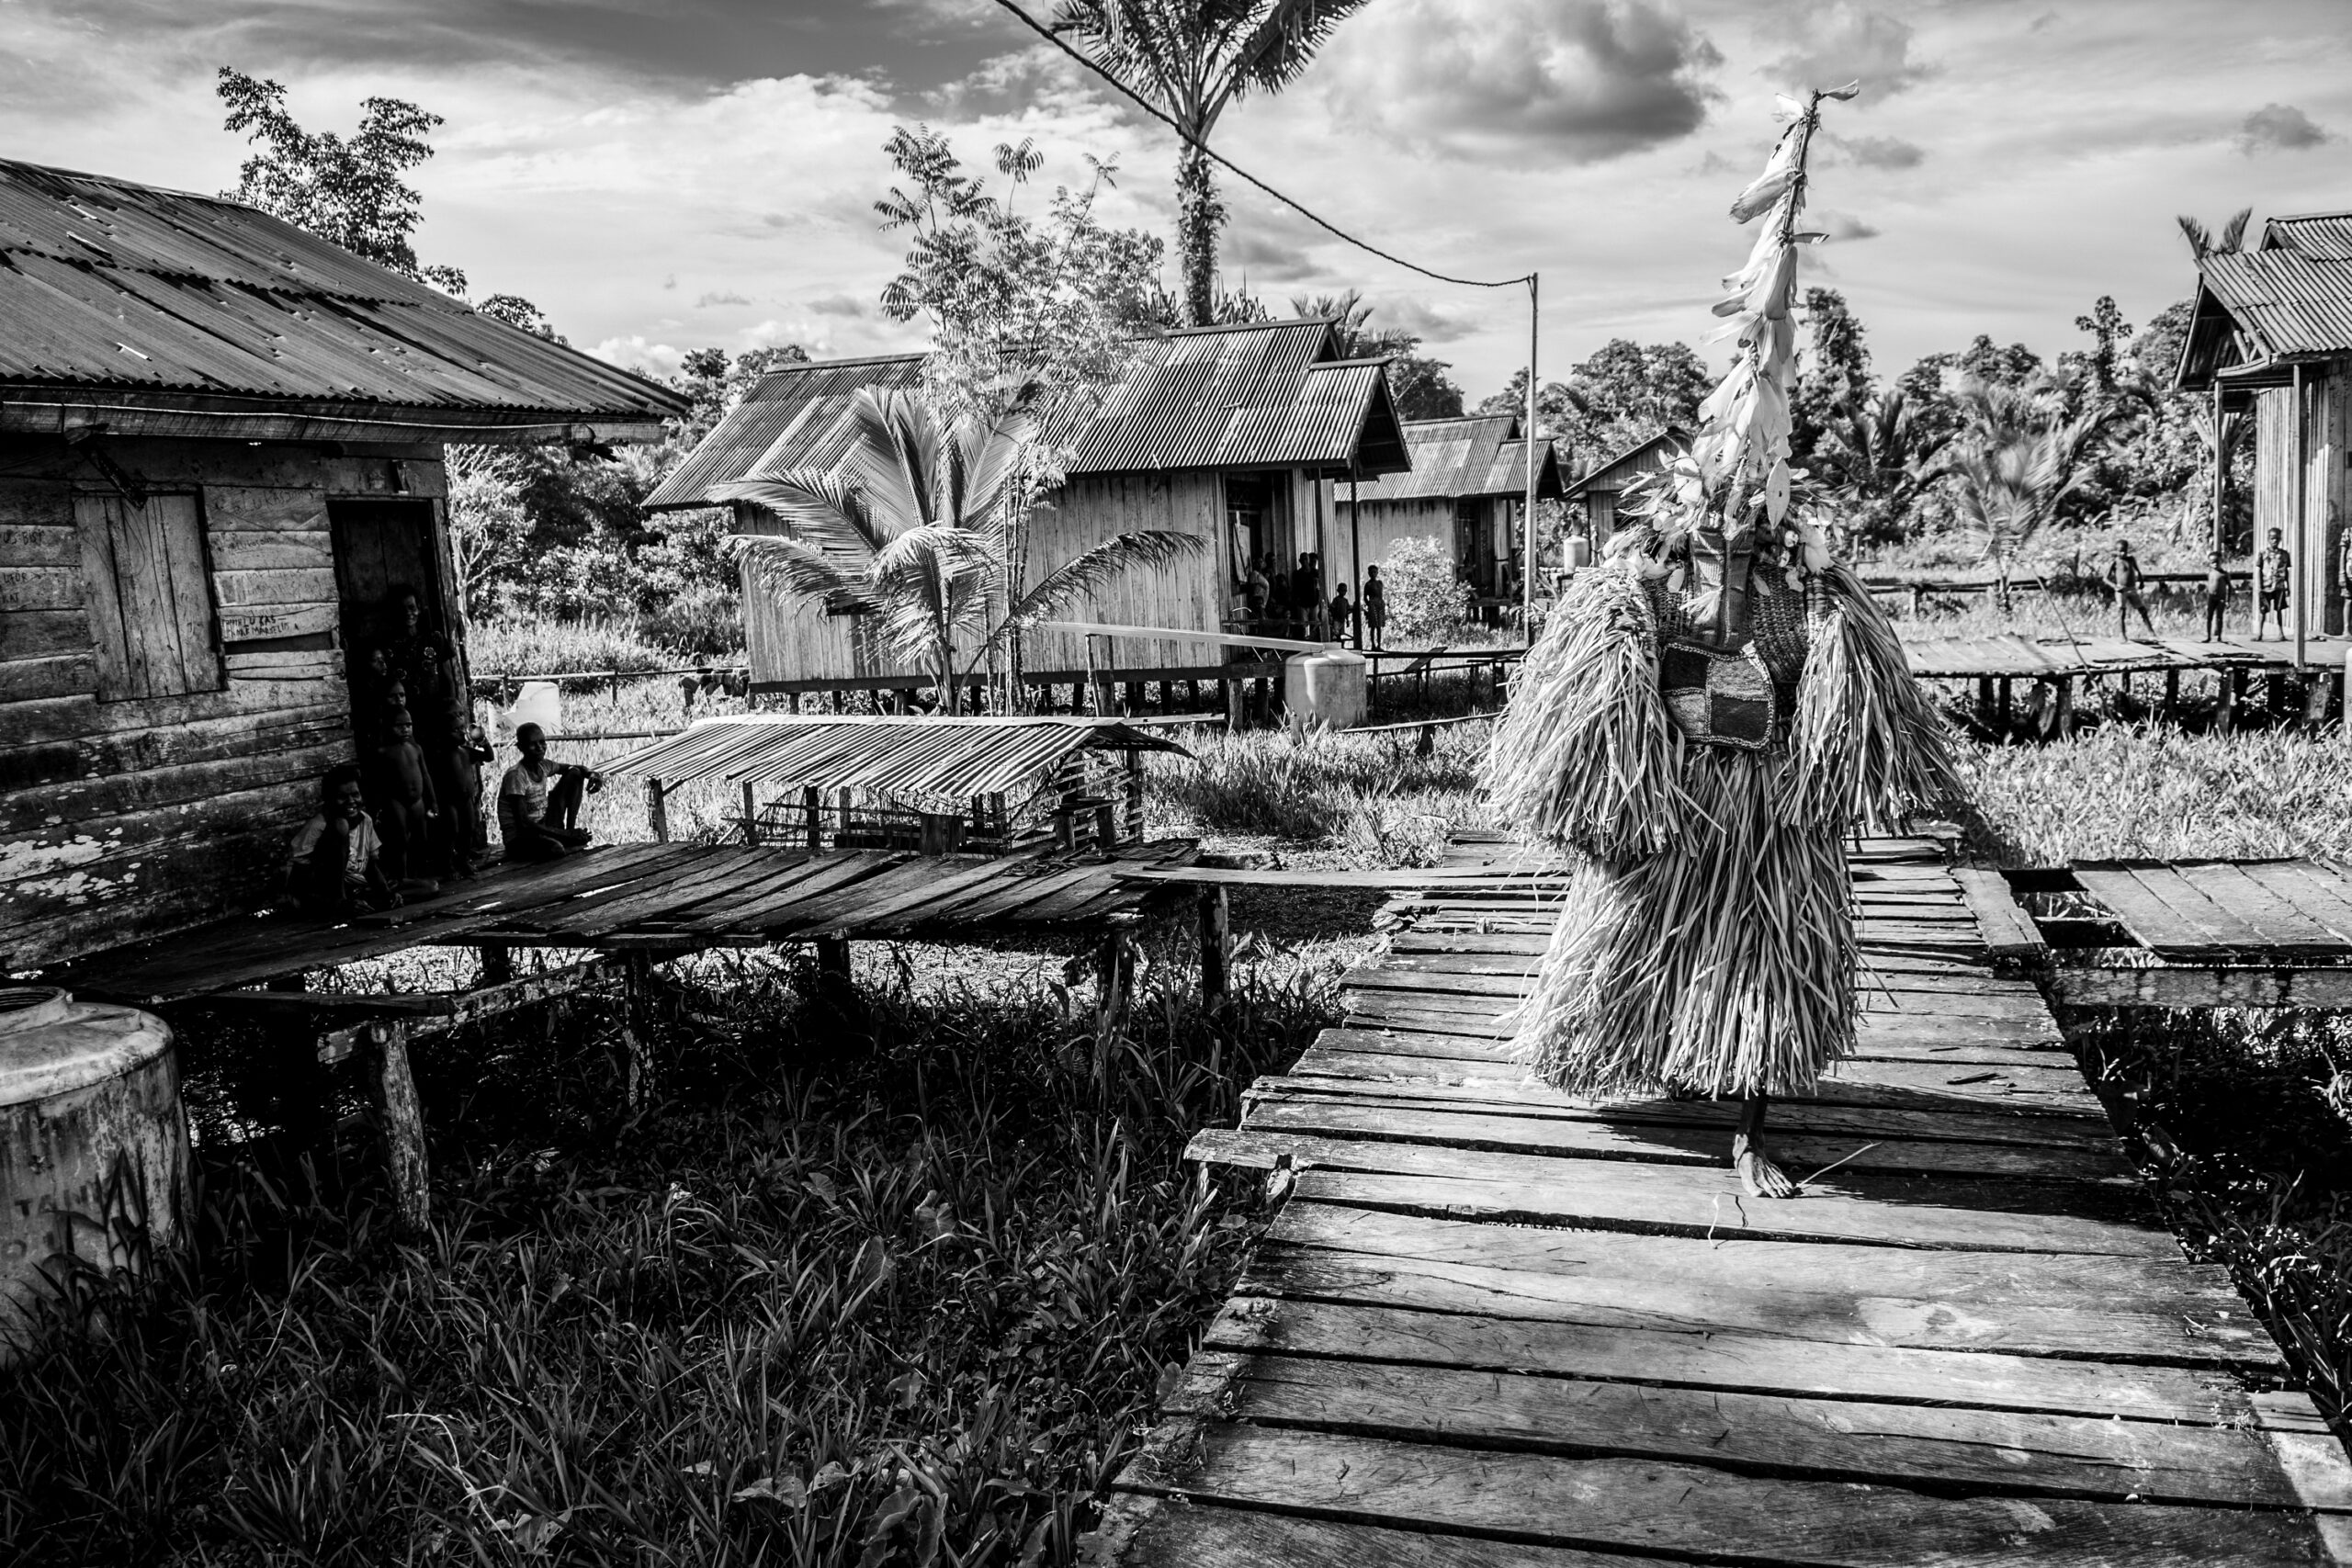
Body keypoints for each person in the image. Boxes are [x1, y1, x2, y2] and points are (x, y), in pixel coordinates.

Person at [1487, 96, 1955, 1201]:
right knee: (1640, 939)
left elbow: (1855, 716)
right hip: (1675, 797)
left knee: (1758, 963)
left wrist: (1818, 756)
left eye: (1760, 498)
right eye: (1727, 495)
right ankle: (1638, 1063)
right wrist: (1625, 774)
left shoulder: (1811, 585)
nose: (1741, 513)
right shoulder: (1644, 576)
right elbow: (1601, 689)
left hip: (1763, 809)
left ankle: (1749, 1116)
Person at [286, 764, 401, 918]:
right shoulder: (319, 826)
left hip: (351, 887)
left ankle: (357, 902)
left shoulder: (364, 820)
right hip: (317, 895)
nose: (351, 801)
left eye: (355, 794)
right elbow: (299, 884)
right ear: (329, 800)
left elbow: (370, 866)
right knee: (342, 824)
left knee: (428, 888)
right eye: (342, 797)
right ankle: (344, 903)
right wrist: (338, 903)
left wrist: (386, 893)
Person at [498, 723, 603, 862]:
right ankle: (568, 836)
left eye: (542, 742)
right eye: (533, 744)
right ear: (521, 747)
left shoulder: (543, 765)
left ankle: (571, 831)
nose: (540, 747)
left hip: (541, 826)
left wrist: (593, 775)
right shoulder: (516, 776)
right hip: (519, 837)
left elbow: (575, 768)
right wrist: (566, 835)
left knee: (575, 774)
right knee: (556, 849)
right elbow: (524, 823)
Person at [369, 705, 439, 890]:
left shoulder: (415, 748)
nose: (405, 729)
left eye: (408, 725)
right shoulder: (383, 752)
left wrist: (432, 801)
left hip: (418, 801)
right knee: (400, 840)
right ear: (388, 727)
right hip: (396, 801)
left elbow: (425, 775)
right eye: (399, 726)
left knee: (421, 839)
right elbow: (378, 782)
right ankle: (402, 876)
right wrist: (377, 808)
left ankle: (418, 874)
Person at [2105, 538, 2157, 639]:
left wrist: (2141, 581)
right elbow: (2105, 578)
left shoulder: (2131, 559)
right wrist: (2115, 586)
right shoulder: (2115, 562)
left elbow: (2138, 571)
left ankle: (2151, 632)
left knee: (2142, 610)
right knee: (2122, 612)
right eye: (2120, 551)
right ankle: (2122, 635)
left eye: (2124, 551)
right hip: (2121, 590)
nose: (2123, 553)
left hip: (2132, 589)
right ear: (2116, 551)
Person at [2256, 529, 2292, 640]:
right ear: (2268, 539)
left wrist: (2288, 586)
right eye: (2272, 538)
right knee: (2263, 610)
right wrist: (2259, 585)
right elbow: (2259, 569)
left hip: (2279, 585)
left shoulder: (2284, 554)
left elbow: (2286, 571)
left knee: (2279, 609)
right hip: (2266, 585)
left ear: (2280, 539)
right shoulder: (2263, 554)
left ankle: (2281, 633)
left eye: (2277, 538)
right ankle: (2260, 633)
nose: (2274, 541)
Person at [2202, 556, 2231, 642]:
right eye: (2213, 562)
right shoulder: (2210, 573)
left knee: (2219, 617)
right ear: (2210, 564)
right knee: (2209, 617)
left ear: (2220, 562)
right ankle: (2208, 637)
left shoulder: (2224, 574)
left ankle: (2219, 637)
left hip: (2221, 598)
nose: (2215, 564)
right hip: (2211, 598)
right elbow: (2209, 585)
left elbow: (2229, 587)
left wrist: (2227, 600)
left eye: (2217, 562)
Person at [1363, 564, 1388, 650]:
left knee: (1379, 626)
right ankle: (1373, 645)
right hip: (1372, 604)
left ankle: (1379, 645)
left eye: (1375, 572)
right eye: (1371, 572)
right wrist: (1369, 604)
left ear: (1377, 573)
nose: (1373, 574)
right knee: (1373, 626)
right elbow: (1365, 597)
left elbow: (1381, 594)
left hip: (1380, 604)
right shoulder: (1368, 584)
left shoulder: (1380, 583)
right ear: (1369, 573)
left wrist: (1383, 603)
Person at [1329, 582, 1356, 646]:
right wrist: (1332, 617)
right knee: (1335, 631)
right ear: (1338, 591)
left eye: (1345, 591)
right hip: (1336, 619)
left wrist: (1347, 620)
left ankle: (1339, 643)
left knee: (1340, 632)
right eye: (1342, 590)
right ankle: (1338, 642)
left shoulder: (1345, 601)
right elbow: (1332, 608)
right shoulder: (1336, 600)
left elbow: (1347, 611)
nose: (1343, 592)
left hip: (1342, 620)